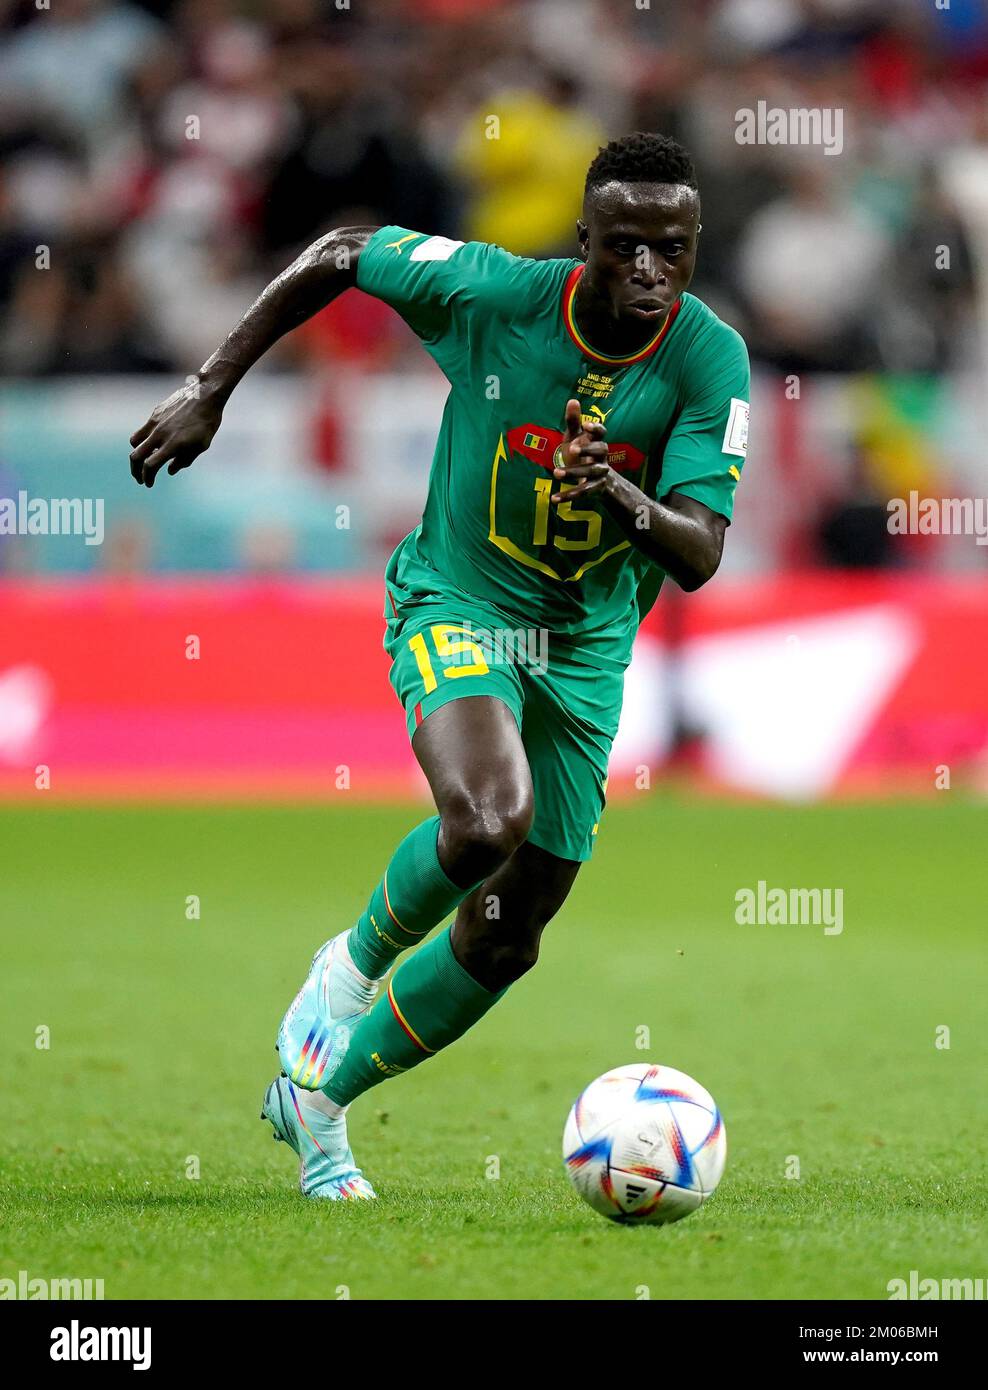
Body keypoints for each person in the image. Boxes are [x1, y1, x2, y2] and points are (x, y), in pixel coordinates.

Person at [128, 132, 750, 1203]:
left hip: (587, 645)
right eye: (627, 249)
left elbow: (697, 552)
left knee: (512, 932)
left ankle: (318, 1105)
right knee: (483, 820)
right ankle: (345, 972)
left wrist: (623, 501)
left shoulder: (708, 357)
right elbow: (338, 252)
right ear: (582, 242)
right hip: (459, 597)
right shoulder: (498, 294)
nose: (650, 274)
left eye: (674, 252)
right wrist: (209, 388)